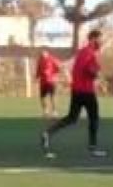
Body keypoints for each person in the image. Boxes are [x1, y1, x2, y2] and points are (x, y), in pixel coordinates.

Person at [42, 30, 107, 158]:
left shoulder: (83, 52)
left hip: (77, 90)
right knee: (94, 118)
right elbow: (89, 70)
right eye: (100, 39)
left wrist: (97, 76)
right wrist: (98, 78)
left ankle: (48, 133)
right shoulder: (89, 53)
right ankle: (93, 148)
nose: (101, 42)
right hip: (86, 91)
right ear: (93, 39)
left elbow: (83, 69)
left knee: (72, 118)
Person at [35, 49, 62, 119]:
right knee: (42, 97)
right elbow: (38, 69)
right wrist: (36, 77)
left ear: (47, 53)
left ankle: (54, 112)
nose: (42, 56)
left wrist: (54, 74)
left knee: (53, 96)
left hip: (52, 81)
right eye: (41, 55)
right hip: (43, 82)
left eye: (43, 54)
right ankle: (45, 111)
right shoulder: (40, 60)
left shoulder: (53, 59)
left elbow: (59, 67)